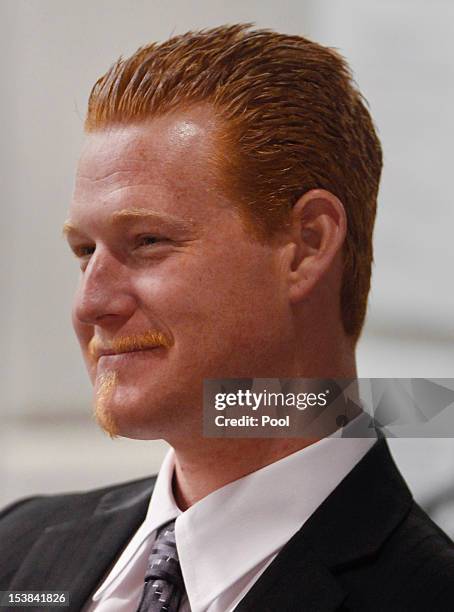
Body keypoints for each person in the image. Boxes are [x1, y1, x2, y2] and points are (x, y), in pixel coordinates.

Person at [1, 24, 453, 612]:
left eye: (147, 240)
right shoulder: (17, 554)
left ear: (308, 245)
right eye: (85, 253)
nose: (90, 304)